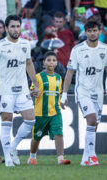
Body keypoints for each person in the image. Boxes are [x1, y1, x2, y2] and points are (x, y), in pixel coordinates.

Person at [0, 15, 39, 167]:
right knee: (6, 121)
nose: (16, 29)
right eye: (13, 27)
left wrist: (35, 83)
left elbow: (29, 64)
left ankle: (12, 147)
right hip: (6, 91)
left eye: (18, 26)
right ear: (6, 28)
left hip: (22, 89)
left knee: (30, 120)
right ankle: (8, 159)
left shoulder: (25, 44)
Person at [61, 21, 107, 166]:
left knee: (94, 125)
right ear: (85, 33)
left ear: (99, 32)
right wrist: (64, 94)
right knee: (92, 119)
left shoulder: (105, 49)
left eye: (95, 30)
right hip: (83, 92)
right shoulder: (78, 50)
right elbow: (69, 73)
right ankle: (93, 157)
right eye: (89, 31)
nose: (92, 33)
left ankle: (85, 159)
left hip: (98, 93)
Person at [27, 51, 71, 165]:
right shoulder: (38, 77)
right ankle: (32, 157)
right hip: (40, 114)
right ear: (44, 62)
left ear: (56, 63)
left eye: (54, 60)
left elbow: (58, 93)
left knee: (59, 133)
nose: (51, 62)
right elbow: (31, 92)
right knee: (36, 138)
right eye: (49, 60)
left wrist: (62, 100)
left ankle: (60, 159)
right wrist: (33, 93)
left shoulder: (58, 78)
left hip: (55, 112)